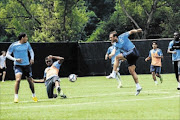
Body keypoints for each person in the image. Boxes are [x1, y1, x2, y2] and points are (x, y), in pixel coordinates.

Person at [108, 29, 143, 96]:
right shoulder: (115, 44)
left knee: (117, 57)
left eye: (111, 37)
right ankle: (138, 86)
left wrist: (138, 30)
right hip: (130, 55)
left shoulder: (122, 36)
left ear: (115, 37)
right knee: (131, 71)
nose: (110, 39)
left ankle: (114, 73)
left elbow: (131, 32)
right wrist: (111, 54)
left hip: (133, 51)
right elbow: (113, 52)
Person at [6, 32, 38, 103]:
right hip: (18, 65)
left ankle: (34, 95)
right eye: (26, 37)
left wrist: (32, 58)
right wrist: (15, 59)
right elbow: (7, 55)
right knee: (18, 80)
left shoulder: (27, 44)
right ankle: (16, 97)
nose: (27, 38)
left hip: (26, 65)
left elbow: (31, 51)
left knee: (30, 81)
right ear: (22, 38)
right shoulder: (14, 45)